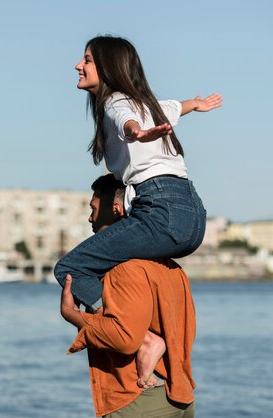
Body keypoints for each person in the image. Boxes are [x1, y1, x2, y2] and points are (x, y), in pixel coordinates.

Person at [54, 35, 222, 312]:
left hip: (160, 212)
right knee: (115, 263)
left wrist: (137, 133)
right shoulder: (147, 104)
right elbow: (174, 107)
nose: (77, 66)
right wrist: (195, 103)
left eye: (86, 60)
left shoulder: (115, 102)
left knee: (71, 267)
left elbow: (126, 121)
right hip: (193, 217)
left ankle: (132, 330)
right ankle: (142, 318)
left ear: (108, 67)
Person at [61, 174, 196, 417]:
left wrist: (74, 315)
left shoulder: (124, 269)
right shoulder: (170, 267)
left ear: (115, 210)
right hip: (179, 395)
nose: (90, 218)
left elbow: (125, 339)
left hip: (140, 397)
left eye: (93, 209)